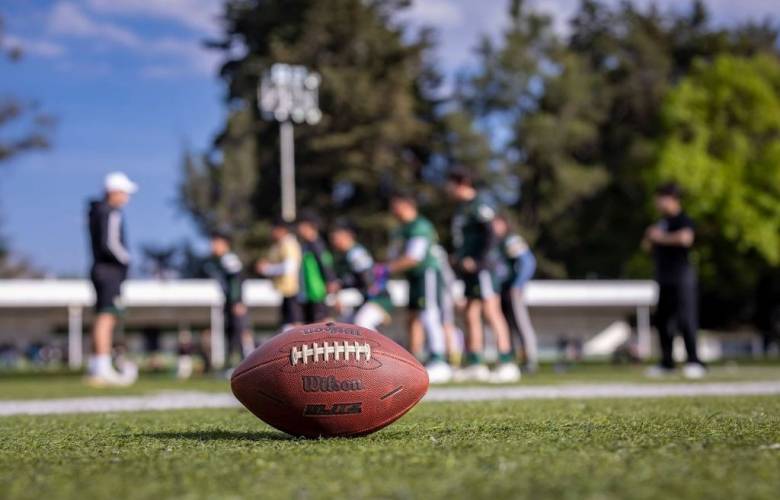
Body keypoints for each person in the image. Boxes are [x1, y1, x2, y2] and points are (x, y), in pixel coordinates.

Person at [446, 167, 519, 383]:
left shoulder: (480, 205)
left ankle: (507, 362)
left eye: (450, 184)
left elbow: (492, 234)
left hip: (484, 269)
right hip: (468, 270)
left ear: (462, 183)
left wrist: (479, 260)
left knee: (491, 311)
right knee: (470, 313)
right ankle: (476, 363)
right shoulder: (462, 208)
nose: (447, 189)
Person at [385, 191, 453, 384]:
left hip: (427, 274)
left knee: (428, 314)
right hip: (413, 277)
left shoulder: (420, 226)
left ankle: (438, 359)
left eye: (395, 206)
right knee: (413, 317)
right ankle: (414, 361)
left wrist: (386, 269)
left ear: (406, 205)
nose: (392, 210)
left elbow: (414, 257)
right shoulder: (400, 229)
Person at [642, 182, 705, 379]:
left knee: (686, 319)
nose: (657, 203)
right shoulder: (661, 222)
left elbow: (686, 239)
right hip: (664, 277)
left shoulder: (683, 219)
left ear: (671, 199)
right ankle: (666, 363)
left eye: (660, 198)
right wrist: (650, 238)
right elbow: (646, 246)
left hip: (682, 276)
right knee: (663, 321)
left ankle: (694, 361)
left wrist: (660, 238)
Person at [86, 172, 139, 387]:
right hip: (109, 271)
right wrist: (127, 260)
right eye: (124, 192)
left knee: (103, 316)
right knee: (107, 317)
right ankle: (103, 367)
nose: (127, 197)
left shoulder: (96, 211)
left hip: (100, 269)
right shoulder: (111, 212)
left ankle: (97, 365)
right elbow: (111, 243)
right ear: (114, 192)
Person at [492, 214, 538, 373]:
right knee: (506, 325)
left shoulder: (511, 240)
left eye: (496, 223)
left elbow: (528, 262)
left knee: (520, 323)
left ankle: (529, 359)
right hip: (501, 289)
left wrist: (517, 284)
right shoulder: (496, 242)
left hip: (513, 289)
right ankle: (510, 359)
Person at [328, 219, 393, 331]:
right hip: (363, 299)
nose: (334, 239)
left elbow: (368, 281)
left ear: (348, 235)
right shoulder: (342, 256)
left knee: (362, 323)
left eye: (337, 235)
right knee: (344, 327)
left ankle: (377, 348)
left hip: (378, 299)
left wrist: (340, 288)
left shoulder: (356, 253)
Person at [203, 230, 254, 366]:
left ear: (224, 244)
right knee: (231, 334)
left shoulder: (229, 259)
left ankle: (246, 365)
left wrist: (237, 302)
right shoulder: (219, 261)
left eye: (215, 243)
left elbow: (237, 280)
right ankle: (233, 365)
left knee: (239, 333)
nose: (212, 246)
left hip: (235, 303)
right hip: (229, 302)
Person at [257, 218, 303, 331]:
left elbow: (290, 267)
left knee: (293, 327)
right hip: (286, 291)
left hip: (292, 291)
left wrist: (267, 269)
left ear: (281, 230)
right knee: (287, 325)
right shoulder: (280, 244)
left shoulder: (288, 243)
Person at [296, 211, 337, 323]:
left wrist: (330, 280)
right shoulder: (306, 245)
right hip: (308, 293)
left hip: (317, 291)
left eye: (301, 225)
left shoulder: (317, 244)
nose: (298, 228)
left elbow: (325, 263)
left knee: (322, 323)